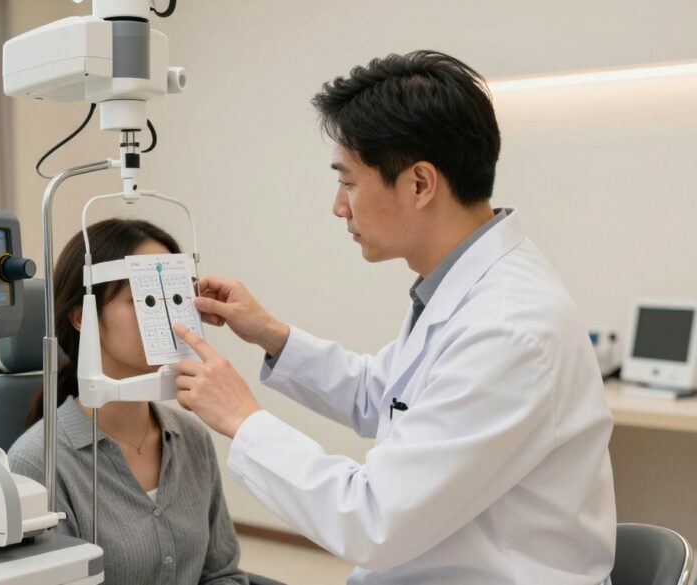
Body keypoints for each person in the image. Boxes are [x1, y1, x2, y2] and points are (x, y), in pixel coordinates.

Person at [172, 51, 616, 584]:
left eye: (350, 182)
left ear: (420, 184)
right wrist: (272, 335)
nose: (339, 206)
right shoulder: (463, 287)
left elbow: (372, 519)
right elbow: (384, 395)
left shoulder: (506, 329)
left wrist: (242, 419)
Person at [9, 218, 247, 585]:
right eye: (146, 299)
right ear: (81, 316)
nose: (167, 318)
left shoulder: (191, 438)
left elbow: (222, 574)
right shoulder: (38, 463)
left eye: (176, 297)